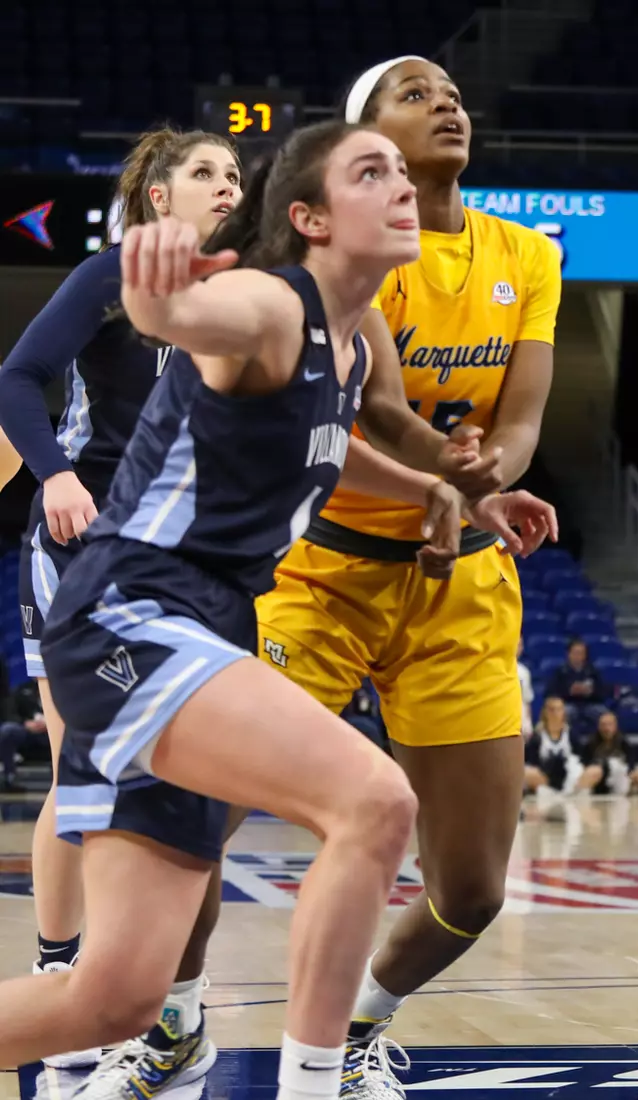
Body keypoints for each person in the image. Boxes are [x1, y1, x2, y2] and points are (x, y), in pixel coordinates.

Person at [0, 120, 546, 1098]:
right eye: (369, 171)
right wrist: (153, 284)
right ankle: (314, 1082)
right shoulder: (267, 305)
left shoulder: (352, 339)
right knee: (375, 803)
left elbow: (344, 440)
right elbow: (175, 315)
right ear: (309, 218)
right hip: (132, 612)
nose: (400, 185)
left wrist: (463, 496)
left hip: (196, 623)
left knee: (112, 997)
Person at [0, 128, 242, 1075]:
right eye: (206, 173)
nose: (227, 185)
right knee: (83, 769)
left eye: (234, 174)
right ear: (157, 197)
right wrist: (54, 476)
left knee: (185, 779)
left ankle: (164, 995)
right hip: (82, 547)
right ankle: (60, 974)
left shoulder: (241, 296)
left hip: (184, 566)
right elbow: (16, 377)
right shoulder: (112, 277)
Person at [546, 638, 610, 730]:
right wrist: (569, 692)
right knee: (561, 713)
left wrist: (590, 692)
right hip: (568, 703)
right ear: (569, 654)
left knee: (607, 716)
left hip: (590, 704)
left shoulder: (593, 671)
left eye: (581, 653)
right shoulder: (560, 672)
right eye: (575, 653)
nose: (578, 656)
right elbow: (551, 693)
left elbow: (602, 692)